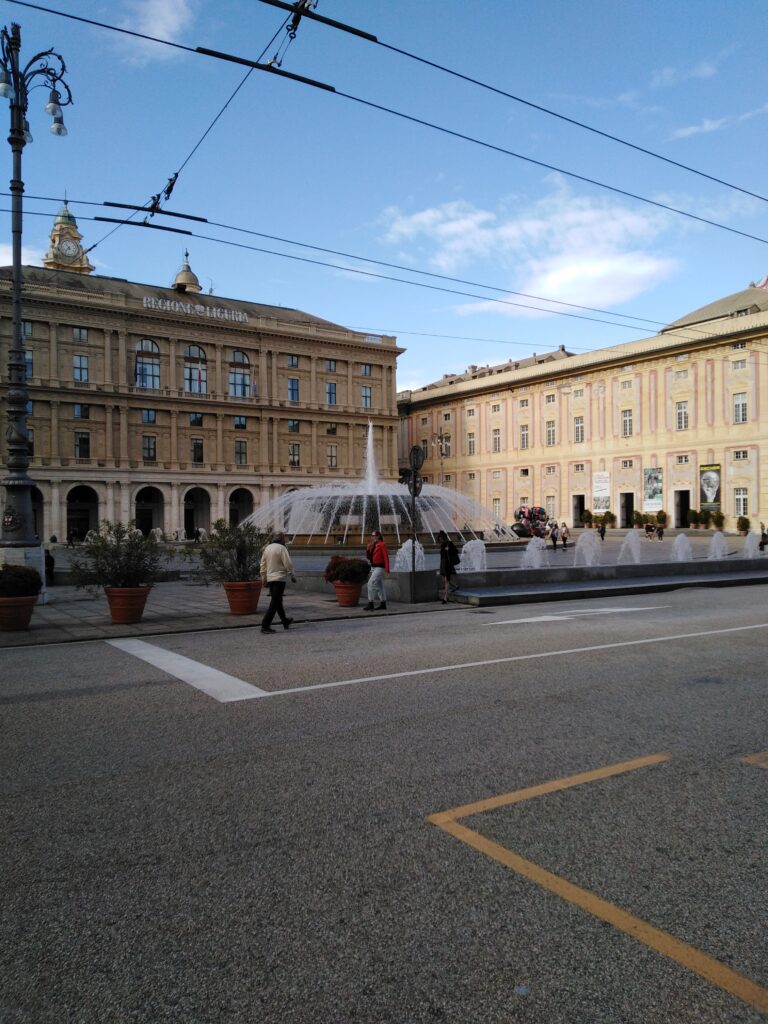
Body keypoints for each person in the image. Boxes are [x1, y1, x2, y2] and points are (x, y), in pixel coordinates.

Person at [259, 532, 295, 634]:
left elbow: (263, 564)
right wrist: (292, 575)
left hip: (270, 579)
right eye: (285, 538)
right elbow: (288, 563)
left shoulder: (267, 548)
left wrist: (263, 577)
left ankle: (285, 621)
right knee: (274, 602)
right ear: (282, 539)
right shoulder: (282, 548)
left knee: (278, 601)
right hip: (279, 578)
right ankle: (265, 625)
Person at [363, 529, 389, 611]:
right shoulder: (372, 545)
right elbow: (368, 557)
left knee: (370, 584)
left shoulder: (382, 544)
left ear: (378, 536)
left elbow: (386, 557)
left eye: (375, 535)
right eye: (372, 535)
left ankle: (370, 603)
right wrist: (367, 549)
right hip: (373, 567)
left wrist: (387, 568)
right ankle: (383, 603)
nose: (373, 537)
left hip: (380, 567)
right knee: (379, 586)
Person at [437, 529, 460, 603]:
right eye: (439, 538)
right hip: (443, 564)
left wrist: (449, 549)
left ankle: (445, 598)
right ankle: (455, 586)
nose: (440, 539)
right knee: (445, 580)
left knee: (446, 581)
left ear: (444, 537)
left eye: (441, 538)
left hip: (448, 564)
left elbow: (456, 551)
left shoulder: (449, 543)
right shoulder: (442, 545)